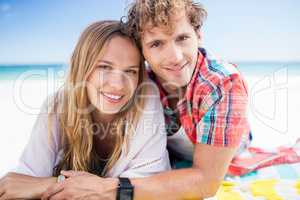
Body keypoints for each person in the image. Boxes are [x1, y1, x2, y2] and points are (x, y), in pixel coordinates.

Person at [48, 1, 251, 199]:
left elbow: (206, 183)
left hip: (227, 146)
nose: (175, 57)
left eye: (182, 38)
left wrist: (107, 188)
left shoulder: (223, 84)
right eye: (156, 44)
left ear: (198, 35)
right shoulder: (138, 80)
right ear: (141, 50)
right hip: (175, 150)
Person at [0, 20, 170, 199]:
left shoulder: (145, 98)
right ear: (82, 67)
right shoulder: (57, 107)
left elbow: (150, 184)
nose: (118, 85)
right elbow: (25, 183)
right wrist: (53, 184)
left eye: (130, 71)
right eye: (105, 67)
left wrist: (54, 184)